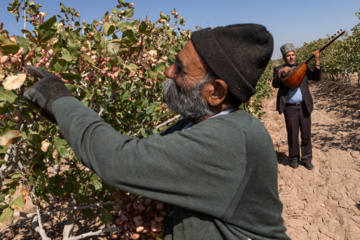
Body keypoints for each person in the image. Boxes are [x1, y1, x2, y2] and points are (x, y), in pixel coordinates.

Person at [24, 24, 290, 240]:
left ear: (216, 92)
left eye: (181, 68)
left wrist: (60, 101)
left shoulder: (228, 140)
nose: (168, 71)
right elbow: (148, 153)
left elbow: (118, 161)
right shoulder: (200, 121)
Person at [272, 43, 321, 170]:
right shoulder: (279, 69)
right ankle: (293, 158)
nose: (291, 57)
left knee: (306, 134)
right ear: (284, 58)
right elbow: (275, 85)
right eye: (288, 56)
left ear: (295, 55)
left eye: (293, 55)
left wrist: (317, 61)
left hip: (304, 106)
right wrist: (281, 73)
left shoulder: (302, 67)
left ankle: (306, 159)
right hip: (290, 108)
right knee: (292, 134)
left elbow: (316, 77)